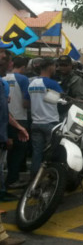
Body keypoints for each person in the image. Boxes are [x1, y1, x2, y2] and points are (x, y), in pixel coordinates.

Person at [0, 46, 25, 245]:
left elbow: (4, 112)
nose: (8, 65)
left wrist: (17, 127)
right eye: (6, 61)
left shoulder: (1, 84)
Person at [26, 58, 63, 178]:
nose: (56, 69)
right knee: (52, 154)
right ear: (50, 67)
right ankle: (51, 180)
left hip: (35, 123)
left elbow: (25, 104)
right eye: (55, 66)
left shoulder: (31, 83)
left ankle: (33, 180)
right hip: (50, 123)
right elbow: (63, 100)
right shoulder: (52, 83)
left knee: (37, 153)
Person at [3, 57, 30, 188]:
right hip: (19, 120)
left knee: (7, 150)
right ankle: (13, 179)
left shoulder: (3, 78)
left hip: (5, 118)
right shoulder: (23, 79)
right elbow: (25, 103)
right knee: (18, 151)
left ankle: (8, 179)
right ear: (23, 66)